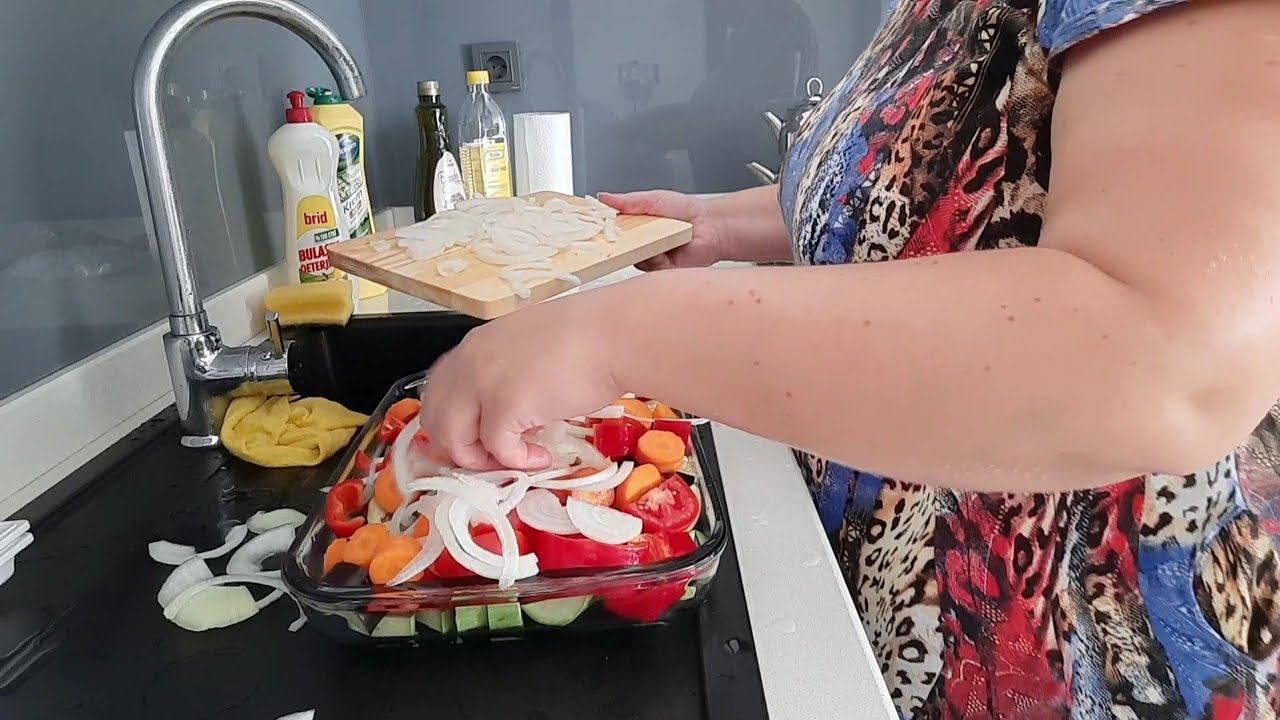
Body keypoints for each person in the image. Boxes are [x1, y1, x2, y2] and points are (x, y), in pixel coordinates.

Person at [420, 0, 1280, 716]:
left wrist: (616, 335)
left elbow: (1165, 360)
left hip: (1084, 663)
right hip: (885, 629)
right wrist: (717, 223)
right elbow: (918, 194)